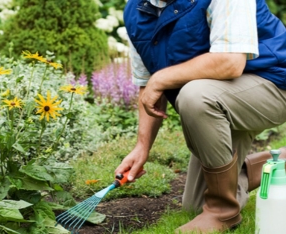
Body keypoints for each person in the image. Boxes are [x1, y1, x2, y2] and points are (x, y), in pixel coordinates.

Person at [114, 0, 286, 233]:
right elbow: (148, 86)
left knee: (195, 95)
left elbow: (230, 62)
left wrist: (161, 79)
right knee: (196, 205)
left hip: (275, 83)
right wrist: (142, 147)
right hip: (222, 96)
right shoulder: (136, 11)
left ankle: (222, 212)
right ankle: (277, 166)